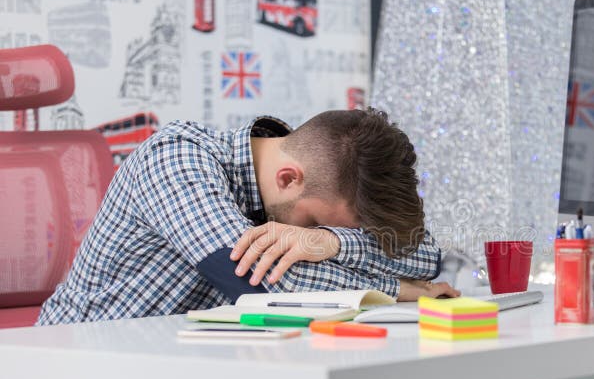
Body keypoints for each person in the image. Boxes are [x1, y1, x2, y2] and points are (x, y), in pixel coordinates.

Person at [38, 108, 458, 325]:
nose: (306, 238)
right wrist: (396, 289)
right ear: (289, 179)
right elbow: (262, 286)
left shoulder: (306, 177)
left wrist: (331, 241)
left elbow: (426, 257)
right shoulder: (175, 158)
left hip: (173, 368)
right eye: (314, 223)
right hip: (70, 373)